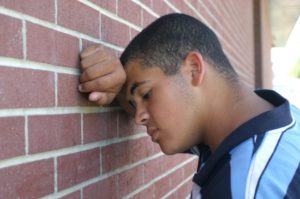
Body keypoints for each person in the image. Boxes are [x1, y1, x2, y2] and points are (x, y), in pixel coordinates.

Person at [78, 13, 300, 199]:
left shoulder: (245, 187)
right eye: (133, 105)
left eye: (146, 94)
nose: (138, 118)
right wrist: (116, 87)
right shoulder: (275, 120)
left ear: (194, 69)